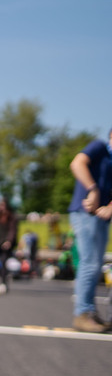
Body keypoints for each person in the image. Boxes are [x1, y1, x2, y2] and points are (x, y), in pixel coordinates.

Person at [68, 128, 112, 332]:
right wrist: (92, 189)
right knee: (89, 263)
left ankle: (90, 311)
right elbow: (77, 163)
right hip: (85, 213)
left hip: (102, 219)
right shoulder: (99, 147)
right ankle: (82, 313)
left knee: (95, 265)